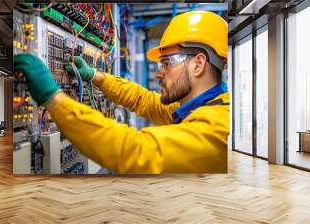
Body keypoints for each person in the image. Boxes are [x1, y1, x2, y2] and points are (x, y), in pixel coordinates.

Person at [14, 11, 229, 173]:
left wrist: (54, 98)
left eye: (166, 63)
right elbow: (144, 100)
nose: (158, 73)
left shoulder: (217, 128)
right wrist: (94, 75)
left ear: (198, 64)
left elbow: (134, 149)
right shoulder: (198, 107)